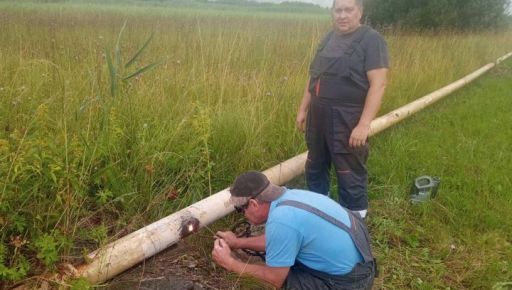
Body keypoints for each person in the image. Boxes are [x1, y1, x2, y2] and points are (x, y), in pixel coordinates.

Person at [296, 0, 389, 219]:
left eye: (349, 10)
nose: (343, 15)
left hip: (348, 117)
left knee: (349, 171)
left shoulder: (371, 40)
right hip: (318, 116)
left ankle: (355, 225)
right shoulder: (328, 38)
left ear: (360, 12)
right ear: (332, 13)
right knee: (315, 164)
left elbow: (379, 84)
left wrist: (364, 124)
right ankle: (319, 214)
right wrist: (303, 109)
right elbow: (314, 78)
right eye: (338, 10)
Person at [212, 171, 376, 290]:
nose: (243, 214)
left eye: (241, 209)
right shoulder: (292, 196)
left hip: (349, 284)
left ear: (254, 204)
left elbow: (273, 280)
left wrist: (230, 262)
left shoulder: (281, 220)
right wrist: (236, 242)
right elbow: (277, 239)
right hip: (362, 265)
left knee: (277, 282)